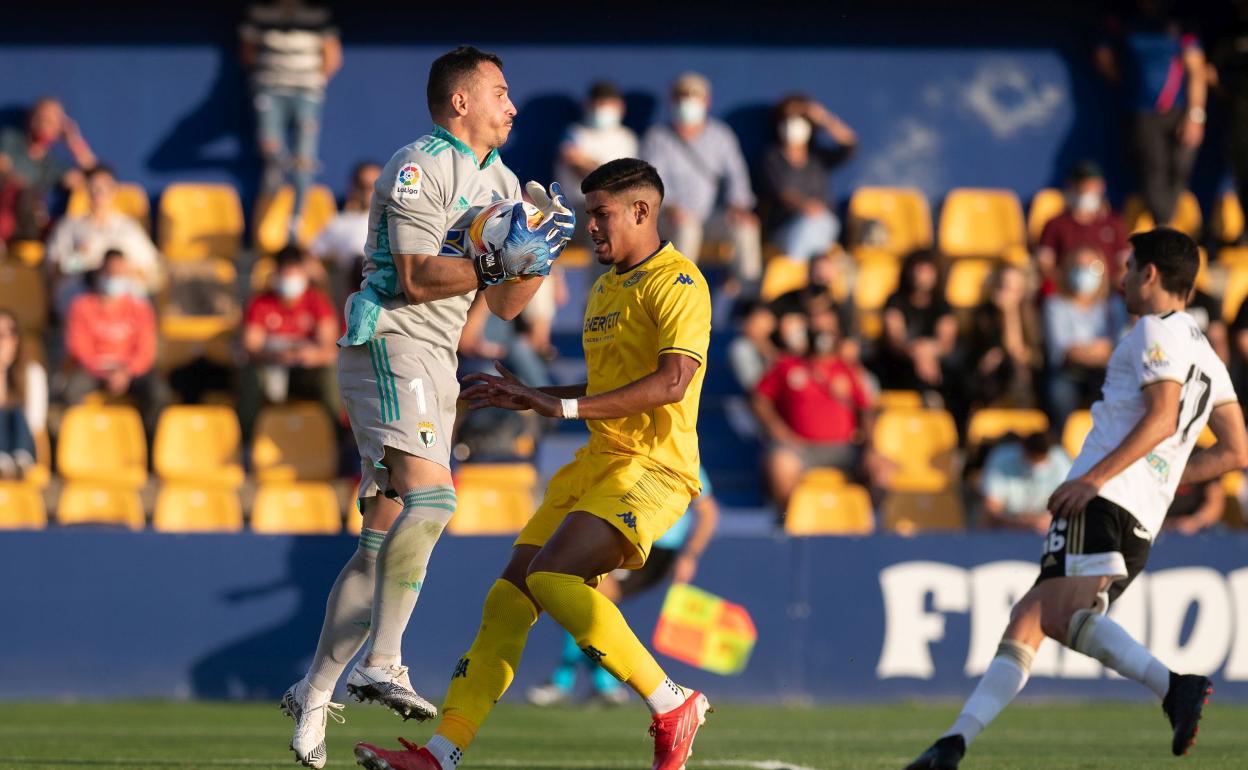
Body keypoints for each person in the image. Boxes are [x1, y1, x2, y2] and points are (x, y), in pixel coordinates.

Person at [353, 159, 712, 770]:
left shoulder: (679, 283)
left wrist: (560, 403)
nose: (590, 228)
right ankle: (442, 754)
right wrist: (534, 398)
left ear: (642, 212)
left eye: (601, 215)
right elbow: (613, 384)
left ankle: (671, 701)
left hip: (650, 468)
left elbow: (672, 383)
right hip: (594, 464)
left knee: (552, 577)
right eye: (589, 214)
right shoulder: (606, 287)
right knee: (508, 600)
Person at [279, 46, 573, 770]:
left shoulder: (502, 181)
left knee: (381, 538)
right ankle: (383, 660)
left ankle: (314, 693)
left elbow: (501, 303)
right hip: (390, 339)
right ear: (461, 102)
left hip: (436, 361)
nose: (512, 106)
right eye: (501, 93)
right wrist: (498, 258)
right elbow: (411, 278)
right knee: (436, 501)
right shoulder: (421, 164)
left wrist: (535, 257)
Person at [904, 227, 1248, 769]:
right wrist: (1170, 478)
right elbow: (1236, 450)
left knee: (1055, 616)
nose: (1123, 276)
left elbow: (1162, 416)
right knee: (1033, 617)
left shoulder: (1151, 332)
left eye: (1131, 266)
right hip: (1140, 511)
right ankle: (952, 744)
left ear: (1151, 274)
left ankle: (1173, 686)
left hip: (1104, 499)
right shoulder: (1206, 353)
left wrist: (1095, 479)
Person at [527, 465, 719, 707]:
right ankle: (602, 683)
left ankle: (565, 681)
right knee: (578, 599)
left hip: (654, 549)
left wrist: (689, 555)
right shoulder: (631, 451)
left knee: (584, 596)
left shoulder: (680, 454)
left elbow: (709, 512)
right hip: (626, 538)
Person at [642, 72, 761, 290]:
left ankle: (749, 302)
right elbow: (650, 182)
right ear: (672, 100)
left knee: (746, 228)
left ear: (707, 101)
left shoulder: (721, 136)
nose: (687, 101)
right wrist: (670, 207)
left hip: (712, 218)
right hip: (670, 219)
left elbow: (737, 177)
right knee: (687, 228)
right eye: (681, 96)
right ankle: (682, 293)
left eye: (694, 96)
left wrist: (738, 206)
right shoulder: (657, 137)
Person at [1096, 1, 1207, 225]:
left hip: (1179, 110)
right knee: (1152, 169)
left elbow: (1196, 70)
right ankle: (1165, 229)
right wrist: (1129, 85)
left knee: (1181, 166)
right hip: (1141, 111)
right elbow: (1104, 57)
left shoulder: (1180, 22)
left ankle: (1167, 228)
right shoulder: (1123, 19)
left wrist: (1195, 115)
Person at [240, 0, 342, 239]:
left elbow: (332, 54)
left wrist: (314, 81)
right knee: (270, 147)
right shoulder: (258, 11)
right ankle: (283, 167)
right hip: (269, 90)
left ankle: (295, 222)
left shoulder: (319, 14)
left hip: (307, 93)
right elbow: (247, 51)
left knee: (305, 160)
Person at [753, 319, 872, 514]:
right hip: (801, 449)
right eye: (818, 331)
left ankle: (872, 524)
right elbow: (759, 399)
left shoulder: (848, 369)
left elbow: (866, 409)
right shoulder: (787, 365)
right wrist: (780, 431)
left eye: (828, 332)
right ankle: (791, 518)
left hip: (845, 449)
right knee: (780, 464)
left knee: (880, 468)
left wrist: (870, 445)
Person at [61, 249, 166, 438]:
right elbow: (78, 347)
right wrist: (104, 372)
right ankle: (80, 441)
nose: (114, 278)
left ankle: (147, 447)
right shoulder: (82, 306)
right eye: (110, 273)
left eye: (120, 273)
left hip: (129, 371)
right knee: (70, 391)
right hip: (94, 371)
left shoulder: (140, 309)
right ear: (101, 273)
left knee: (159, 393)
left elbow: (146, 351)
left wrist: (125, 372)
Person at [239, 245, 340, 438]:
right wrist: (276, 355)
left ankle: (336, 438)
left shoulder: (317, 301)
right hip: (272, 369)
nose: (290, 280)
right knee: (251, 376)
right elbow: (250, 346)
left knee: (331, 374)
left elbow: (330, 347)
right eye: (286, 273)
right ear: (276, 274)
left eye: (294, 273)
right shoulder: (261, 303)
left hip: (307, 371)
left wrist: (311, 356)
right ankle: (248, 440)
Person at [45, 164, 161, 316]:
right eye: (93, 187)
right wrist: (78, 258)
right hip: (82, 298)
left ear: (114, 191)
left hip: (123, 305)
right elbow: (55, 270)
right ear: (86, 190)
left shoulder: (129, 229)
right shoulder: (68, 227)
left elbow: (150, 269)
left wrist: (119, 270)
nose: (98, 193)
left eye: (104, 187)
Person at [757, 94, 857, 260]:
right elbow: (780, 191)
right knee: (806, 229)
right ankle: (801, 272)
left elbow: (850, 145)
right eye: (788, 119)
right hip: (785, 227)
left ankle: (805, 272)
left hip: (823, 223)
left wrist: (825, 119)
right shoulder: (771, 158)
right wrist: (805, 206)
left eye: (800, 118)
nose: (793, 124)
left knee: (816, 226)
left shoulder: (817, 156)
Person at [1043, 246, 1128, 423]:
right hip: (1068, 373)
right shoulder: (1055, 305)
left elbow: (1119, 347)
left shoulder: (1114, 306)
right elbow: (1063, 351)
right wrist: (1099, 350)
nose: (1085, 272)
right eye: (1079, 266)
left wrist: (1084, 349)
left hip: (1105, 372)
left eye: (1092, 266)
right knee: (1059, 393)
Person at [0, 97, 95, 242]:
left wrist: (74, 141)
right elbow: (3, 167)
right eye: (41, 117)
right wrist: (30, 197)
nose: (43, 124)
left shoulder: (53, 165)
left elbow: (96, 177)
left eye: (51, 120)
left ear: (60, 127)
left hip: (29, 227)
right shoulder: (9, 139)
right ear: (30, 118)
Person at [555, 81, 639, 244]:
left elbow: (626, 181)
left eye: (609, 105)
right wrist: (610, 174)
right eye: (599, 104)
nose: (603, 110)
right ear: (587, 105)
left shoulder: (628, 138)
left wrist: (591, 164)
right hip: (576, 211)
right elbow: (576, 165)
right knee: (602, 221)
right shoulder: (574, 133)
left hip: (615, 210)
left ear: (620, 107)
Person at [1035, 160, 1130, 295]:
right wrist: (1071, 287)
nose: (1086, 191)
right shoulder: (1055, 224)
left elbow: (1125, 265)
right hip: (1066, 296)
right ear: (1070, 187)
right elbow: (1045, 265)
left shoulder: (1114, 223)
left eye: (1091, 186)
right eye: (1081, 186)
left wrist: (1104, 287)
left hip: (1108, 295)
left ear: (1101, 187)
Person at [874, 250, 958, 400]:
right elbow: (894, 338)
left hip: (934, 364)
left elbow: (946, 341)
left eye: (926, 271)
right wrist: (917, 351)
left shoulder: (942, 304)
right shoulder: (895, 301)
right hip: (900, 364)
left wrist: (927, 350)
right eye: (917, 270)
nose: (920, 276)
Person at [965, 264, 1042, 409]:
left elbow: (1017, 350)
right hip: (987, 377)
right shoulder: (983, 315)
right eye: (1002, 285)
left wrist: (1009, 313)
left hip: (1023, 379)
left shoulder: (1030, 316)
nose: (1004, 292)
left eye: (1011, 289)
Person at [311, 161, 381, 307]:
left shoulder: (395, 221)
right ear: (354, 187)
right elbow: (311, 254)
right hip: (349, 291)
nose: (368, 191)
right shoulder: (340, 223)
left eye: (374, 186)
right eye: (363, 185)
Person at [979, 432, 1073, 533]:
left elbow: (1069, 505)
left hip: (1047, 529)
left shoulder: (1061, 460)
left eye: (1040, 460)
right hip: (1008, 529)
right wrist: (1020, 524)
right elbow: (991, 510)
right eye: (1033, 458)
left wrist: (1047, 520)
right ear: (1023, 450)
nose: (1035, 465)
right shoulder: (1001, 459)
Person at [0, 309, 41, 479]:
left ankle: (20, 459)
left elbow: (35, 422)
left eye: (7, 335)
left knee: (16, 411)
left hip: (18, 443)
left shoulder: (31, 374)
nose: (3, 342)